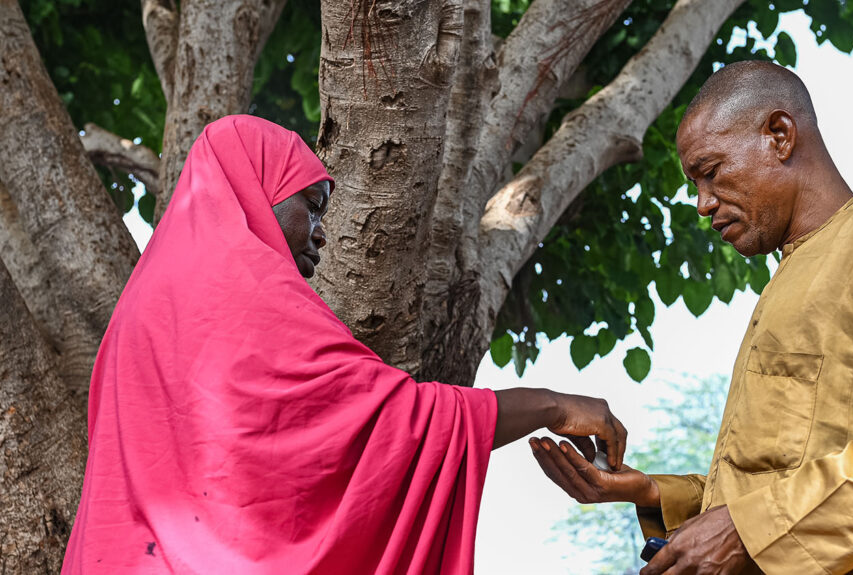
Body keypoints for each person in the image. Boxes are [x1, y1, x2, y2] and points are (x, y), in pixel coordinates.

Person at [62, 115, 628, 574]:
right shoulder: (249, 293)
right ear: (252, 190)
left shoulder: (141, 311)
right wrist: (553, 405)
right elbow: (396, 427)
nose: (323, 233)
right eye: (311, 205)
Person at [530, 61, 853, 574]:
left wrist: (751, 530)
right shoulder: (783, 283)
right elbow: (775, 484)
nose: (703, 204)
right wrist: (652, 490)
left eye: (710, 173)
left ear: (779, 135)